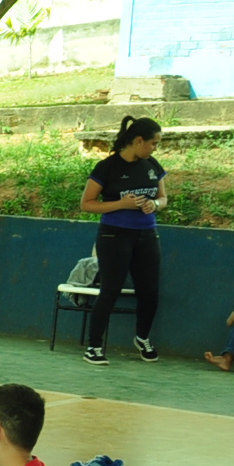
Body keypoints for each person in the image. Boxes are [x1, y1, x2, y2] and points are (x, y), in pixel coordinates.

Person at [79, 115, 167, 368]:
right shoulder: (107, 167)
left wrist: (155, 204)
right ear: (139, 141)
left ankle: (142, 338)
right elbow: (87, 204)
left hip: (147, 235)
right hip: (114, 235)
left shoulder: (152, 165)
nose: (155, 149)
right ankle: (94, 346)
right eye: (153, 143)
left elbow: (163, 198)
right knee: (111, 289)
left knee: (149, 292)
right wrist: (121, 204)